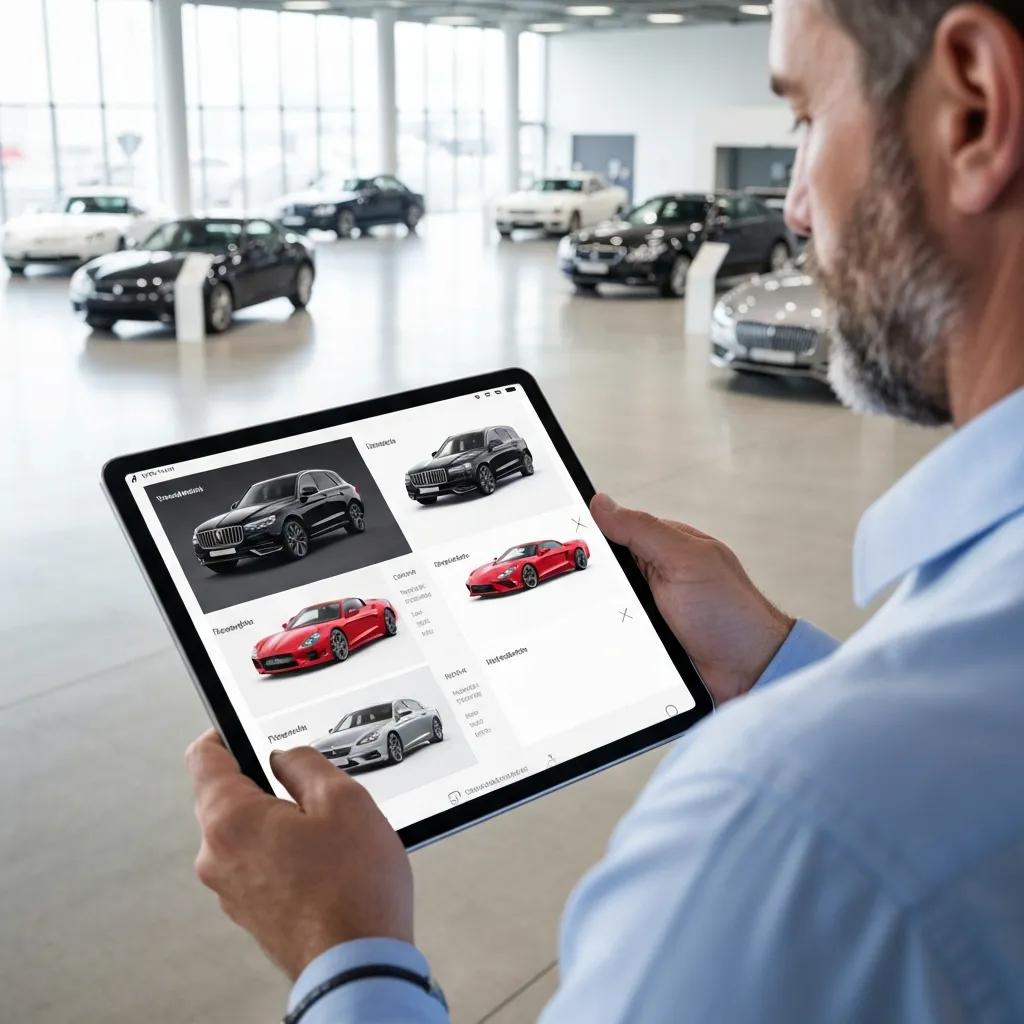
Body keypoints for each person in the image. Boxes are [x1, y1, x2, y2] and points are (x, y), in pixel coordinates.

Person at [185, 0, 1024, 1019]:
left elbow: (885, 808)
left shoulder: (791, 833)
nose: (796, 205)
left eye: (804, 118)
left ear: (974, 111)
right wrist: (771, 666)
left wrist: (342, 948)